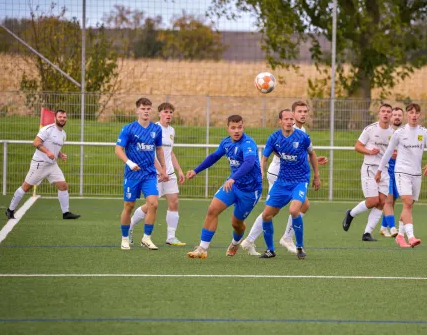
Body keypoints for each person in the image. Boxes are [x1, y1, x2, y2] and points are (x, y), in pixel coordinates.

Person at [241, 100, 327, 255]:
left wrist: (312, 162)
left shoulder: (302, 131)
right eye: (299, 111)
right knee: (273, 211)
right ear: (291, 114)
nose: (303, 114)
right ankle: (253, 239)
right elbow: (278, 150)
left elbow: (298, 154)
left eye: (305, 111)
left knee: (301, 206)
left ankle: (279, 238)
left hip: (293, 176)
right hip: (278, 173)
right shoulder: (288, 128)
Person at [186, 115, 263, 259]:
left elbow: (249, 163)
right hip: (232, 186)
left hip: (250, 190)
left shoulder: (248, 143)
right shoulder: (226, 143)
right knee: (212, 210)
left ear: (243, 127)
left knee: (236, 223)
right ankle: (202, 248)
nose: (236, 131)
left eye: (239, 127)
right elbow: (214, 157)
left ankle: (235, 242)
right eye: (233, 128)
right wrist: (195, 170)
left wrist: (233, 178)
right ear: (227, 129)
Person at [375, 103, 427, 248]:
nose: (414, 115)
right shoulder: (399, 133)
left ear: (419, 115)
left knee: (408, 206)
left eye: (417, 113)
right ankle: (412, 236)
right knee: (407, 202)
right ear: (407, 115)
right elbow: (388, 153)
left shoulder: (424, 132)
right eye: (411, 113)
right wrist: (379, 171)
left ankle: (400, 236)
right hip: (402, 171)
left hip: (416, 174)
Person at [5, 110, 80, 220]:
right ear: (55, 118)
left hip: (52, 165)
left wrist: (60, 155)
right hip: (40, 164)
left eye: (64, 117)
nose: (62, 119)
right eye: (60, 117)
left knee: (63, 186)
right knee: (26, 187)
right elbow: (35, 142)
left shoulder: (63, 134)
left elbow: (54, 148)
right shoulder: (47, 129)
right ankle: (10, 210)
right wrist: (47, 152)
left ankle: (66, 213)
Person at [129, 102, 186, 246]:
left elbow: (170, 152)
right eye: (166, 112)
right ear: (159, 113)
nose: (168, 115)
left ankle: (171, 237)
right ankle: (129, 226)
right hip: (155, 173)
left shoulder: (172, 130)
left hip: (169, 172)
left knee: (174, 202)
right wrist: (161, 171)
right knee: (150, 205)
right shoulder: (153, 129)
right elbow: (151, 154)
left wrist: (179, 170)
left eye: (171, 112)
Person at [115, 97, 168, 251]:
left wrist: (163, 169)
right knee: (129, 206)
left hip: (149, 174)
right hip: (132, 175)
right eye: (143, 109)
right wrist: (130, 163)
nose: (146, 112)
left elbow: (158, 149)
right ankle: (125, 238)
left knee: (154, 203)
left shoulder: (156, 129)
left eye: (148, 109)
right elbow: (118, 149)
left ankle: (146, 238)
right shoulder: (128, 128)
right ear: (137, 110)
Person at [342, 103, 394, 242]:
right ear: (379, 114)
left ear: (391, 115)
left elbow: (394, 152)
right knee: (372, 201)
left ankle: (367, 233)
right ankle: (351, 214)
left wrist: (395, 154)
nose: (386, 114)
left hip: (384, 170)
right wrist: (369, 152)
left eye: (388, 112)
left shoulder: (393, 133)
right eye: (383, 111)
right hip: (370, 168)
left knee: (382, 202)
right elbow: (357, 146)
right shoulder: (370, 129)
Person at [379, 107, 404, 237]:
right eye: (394, 114)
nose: (397, 117)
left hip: (399, 169)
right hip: (386, 169)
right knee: (387, 200)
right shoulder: (386, 132)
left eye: (399, 115)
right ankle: (393, 228)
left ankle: (384, 227)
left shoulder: (405, 132)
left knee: (393, 199)